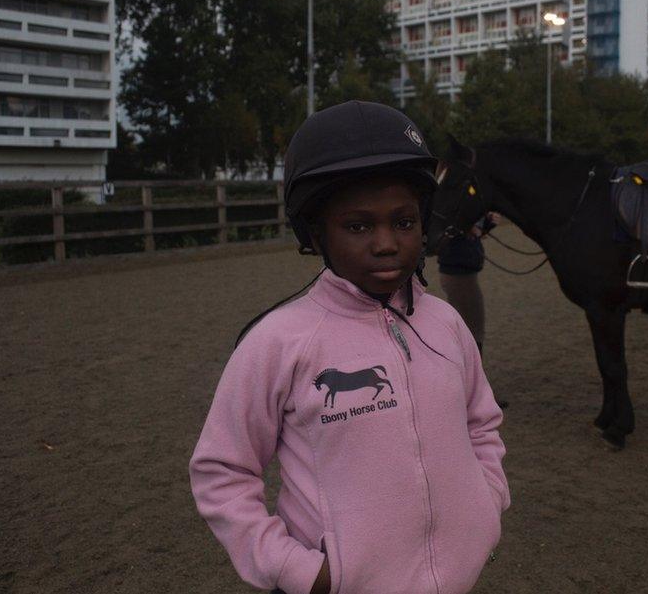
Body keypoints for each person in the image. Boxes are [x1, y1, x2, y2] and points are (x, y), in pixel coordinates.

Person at [190, 101, 509, 594]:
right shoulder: (277, 342)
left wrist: (485, 507)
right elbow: (222, 471)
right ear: (316, 233)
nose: (386, 243)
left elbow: (481, 424)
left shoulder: (447, 323)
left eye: (403, 222)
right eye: (358, 226)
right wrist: (301, 570)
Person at [436, 213, 497, 355]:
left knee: (474, 330)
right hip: (458, 274)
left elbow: (475, 234)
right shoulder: (452, 208)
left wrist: (486, 224)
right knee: (472, 333)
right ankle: (473, 374)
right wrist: (466, 228)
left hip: (463, 273)